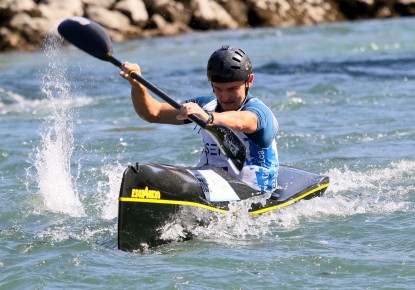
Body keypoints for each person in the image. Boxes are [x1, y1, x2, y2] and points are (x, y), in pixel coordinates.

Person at [120, 45, 279, 192]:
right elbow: (153, 113)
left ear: (249, 81)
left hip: (253, 194)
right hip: (210, 183)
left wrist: (208, 118)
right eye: (218, 88)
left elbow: (241, 121)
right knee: (145, 179)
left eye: (232, 89)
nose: (225, 96)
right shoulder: (206, 105)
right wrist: (137, 86)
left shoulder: (259, 113)